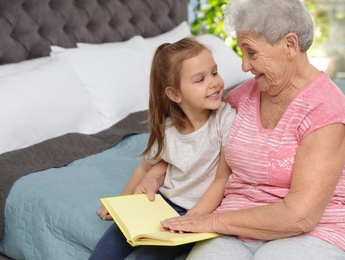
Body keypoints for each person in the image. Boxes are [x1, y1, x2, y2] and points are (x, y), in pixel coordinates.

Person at [160, 0, 345, 259]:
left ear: (290, 45)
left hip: (314, 231)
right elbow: (195, 146)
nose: (245, 66)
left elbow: (300, 216)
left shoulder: (326, 109)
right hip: (234, 228)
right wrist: (154, 172)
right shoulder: (240, 98)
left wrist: (210, 222)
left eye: (252, 53)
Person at [89, 37, 236, 260]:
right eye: (200, 79)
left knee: (148, 257)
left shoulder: (225, 119)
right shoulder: (169, 129)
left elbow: (221, 179)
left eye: (214, 73)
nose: (214, 82)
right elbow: (143, 168)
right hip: (161, 202)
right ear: (175, 94)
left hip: (195, 211)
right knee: (109, 246)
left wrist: (192, 220)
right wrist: (121, 203)